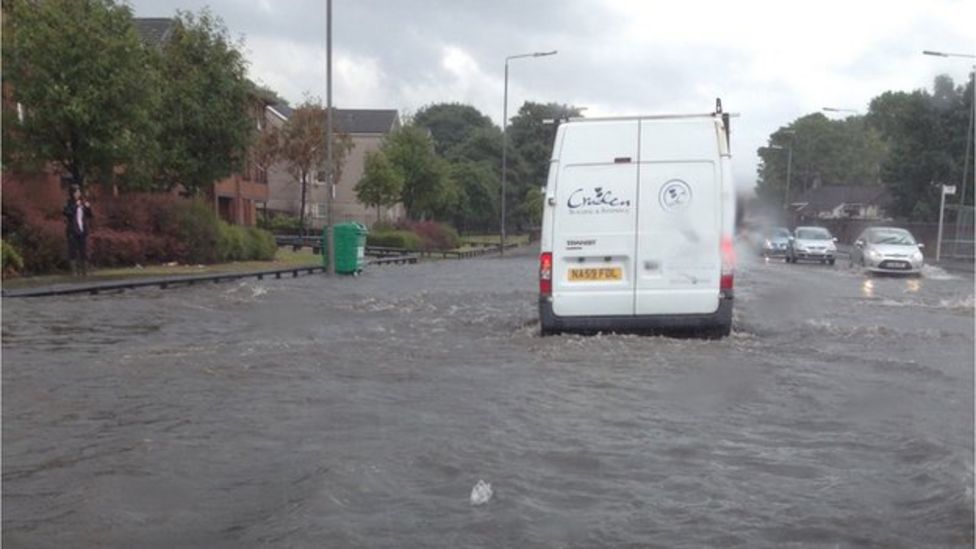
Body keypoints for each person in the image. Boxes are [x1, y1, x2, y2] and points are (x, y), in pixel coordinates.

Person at [63, 185, 93, 276]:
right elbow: (67, 213)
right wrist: (76, 206)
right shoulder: (68, 203)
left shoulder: (82, 203)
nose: (78, 194)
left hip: (82, 230)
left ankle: (85, 271)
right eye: (76, 192)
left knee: (83, 250)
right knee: (72, 251)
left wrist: (88, 207)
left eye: (79, 192)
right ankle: (74, 271)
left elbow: (90, 215)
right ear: (72, 193)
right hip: (73, 231)